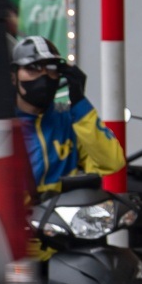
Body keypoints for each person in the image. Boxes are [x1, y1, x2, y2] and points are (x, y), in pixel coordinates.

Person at [12, 34, 124, 196]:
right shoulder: (1, 126)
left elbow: (112, 162)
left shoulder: (70, 119)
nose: (44, 76)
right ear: (13, 76)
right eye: (33, 68)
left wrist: (80, 103)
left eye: (51, 68)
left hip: (62, 210)